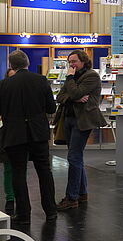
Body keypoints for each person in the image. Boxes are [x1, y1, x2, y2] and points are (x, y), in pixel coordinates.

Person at [0, 51, 57, 224]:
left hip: (14, 134)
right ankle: (50, 211)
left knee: (18, 173)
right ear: (27, 63)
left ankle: (24, 215)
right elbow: (51, 108)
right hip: (38, 133)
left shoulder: (4, 85)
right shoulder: (41, 80)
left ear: (11, 65)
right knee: (44, 172)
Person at [55, 49, 106, 211]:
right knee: (76, 158)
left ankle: (71, 198)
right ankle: (82, 194)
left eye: (74, 61)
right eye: (69, 62)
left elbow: (74, 91)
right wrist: (75, 97)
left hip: (82, 122)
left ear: (83, 61)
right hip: (69, 120)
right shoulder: (74, 77)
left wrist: (71, 82)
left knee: (73, 157)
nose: (71, 64)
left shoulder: (91, 76)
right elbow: (60, 97)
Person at [0, 68, 16, 214]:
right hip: (6, 134)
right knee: (8, 168)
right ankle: (10, 199)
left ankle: (18, 198)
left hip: (20, 134)